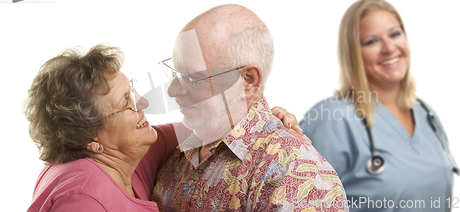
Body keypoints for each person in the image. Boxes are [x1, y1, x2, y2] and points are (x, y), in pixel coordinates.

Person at [25, 44, 302, 211]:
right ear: (90, 136)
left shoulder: (132, 154)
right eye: (126, 103)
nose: (143, 102)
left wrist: (262, 117)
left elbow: (202, 128)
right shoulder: (84, 200)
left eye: (132, 91)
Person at [151, 4, 348, 212]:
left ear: (248, 80)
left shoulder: (296, 174)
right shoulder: (178, 152)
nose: (172, 91)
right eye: (175, 72)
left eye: (192, 77)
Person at [300, 0, 459, 212]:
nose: (389, 48)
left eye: (395, 34)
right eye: (371, 41)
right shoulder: (331, 119)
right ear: (353, 53)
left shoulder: (426, 114)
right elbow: (302, 202)